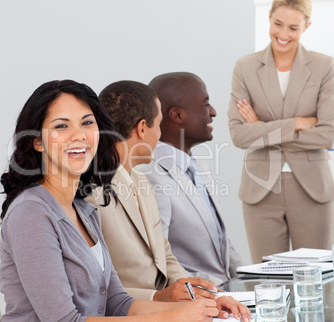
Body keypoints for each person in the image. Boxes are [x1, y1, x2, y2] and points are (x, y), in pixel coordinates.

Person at [0, 79, 251, 321]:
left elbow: (116, 301)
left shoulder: (83, 208)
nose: (79, 135)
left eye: (87, 123)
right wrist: (174, 316)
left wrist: (203, 306)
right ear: (37, 142)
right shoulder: (31, 212)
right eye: (61, 126)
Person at [86, 80, 236, 303]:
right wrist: (159, 298)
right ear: (142, 128)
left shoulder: (141, 182)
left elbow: (165, 254)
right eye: (158, 125)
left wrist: (194, 292)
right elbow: (94, 283)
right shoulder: (91, 192)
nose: (160, 134)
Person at [228, 0, 334, 263]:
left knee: (316, 281)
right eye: (278, 24)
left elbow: (326, 135)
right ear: (269, 18)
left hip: (312, 187)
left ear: (306, 27)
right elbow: (238, 135)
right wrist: (296, 123)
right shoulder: (245, 67)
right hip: (261, 188)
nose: (283, 34)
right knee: (267, 284)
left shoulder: (323, 66)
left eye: (293, 28)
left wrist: (261, 129)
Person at [139, 72, 243, 286]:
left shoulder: (198, 165)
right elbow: (159, 262)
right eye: (205, 105)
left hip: (228, 293)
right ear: (177, 115)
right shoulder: (150, 174)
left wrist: (248, 282)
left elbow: (223, 245)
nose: (213, 113)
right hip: (197, 298)